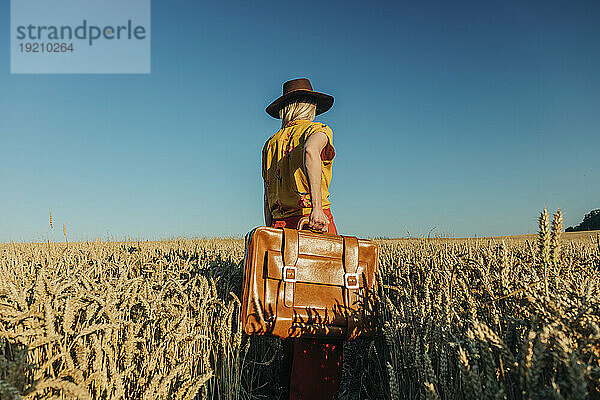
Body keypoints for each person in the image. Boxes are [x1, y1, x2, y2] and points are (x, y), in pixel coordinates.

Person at [262, 78, 342, 400]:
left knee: (289, 313)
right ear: (309, 106)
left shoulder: (270, 144)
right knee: (324, 313)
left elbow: (265, 190)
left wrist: (270, 229)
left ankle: (289, 387)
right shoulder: (317, 130)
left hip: (280, 227)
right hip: (312, 222)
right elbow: (311, 152)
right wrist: (318, 209)